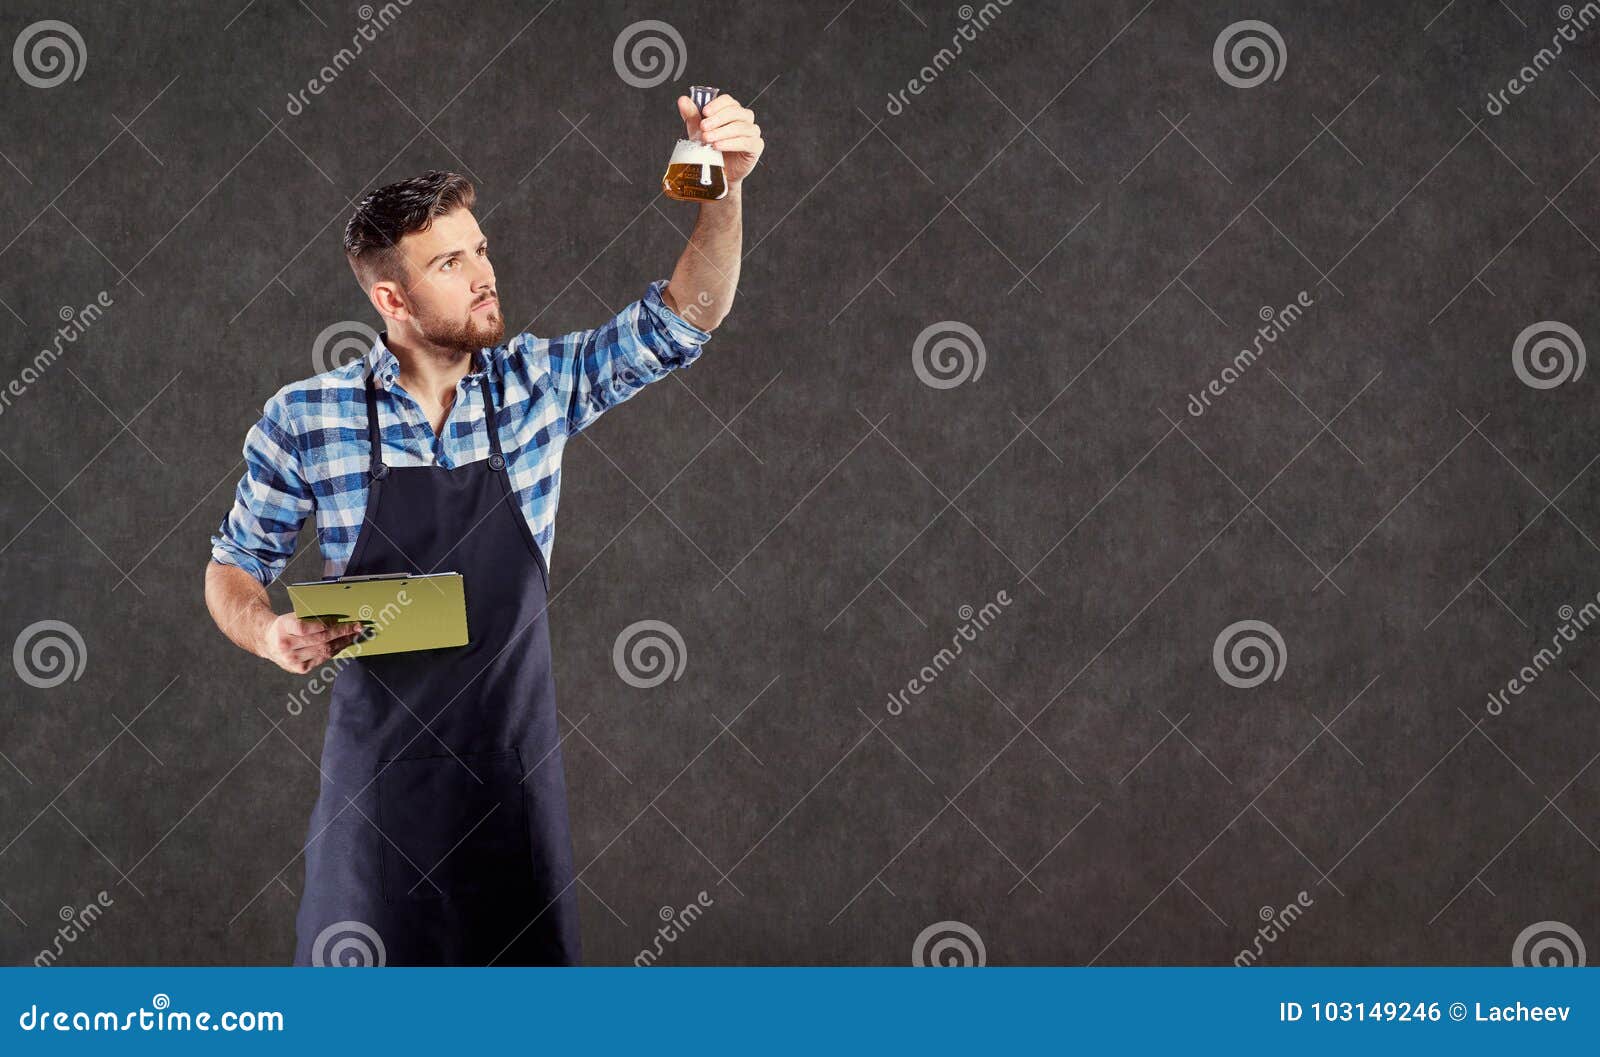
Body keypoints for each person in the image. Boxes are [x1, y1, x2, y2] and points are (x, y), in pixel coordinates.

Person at [203, 94, 763, 966]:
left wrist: (720, 191)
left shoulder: (536, 385)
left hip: (512, 801)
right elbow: (234, 565)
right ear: (392, 296)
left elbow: (686, 319)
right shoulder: (307, 418)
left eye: (481, 250)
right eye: (450, 262)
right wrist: (267, 629)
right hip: (375, 812)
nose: (483, 274)